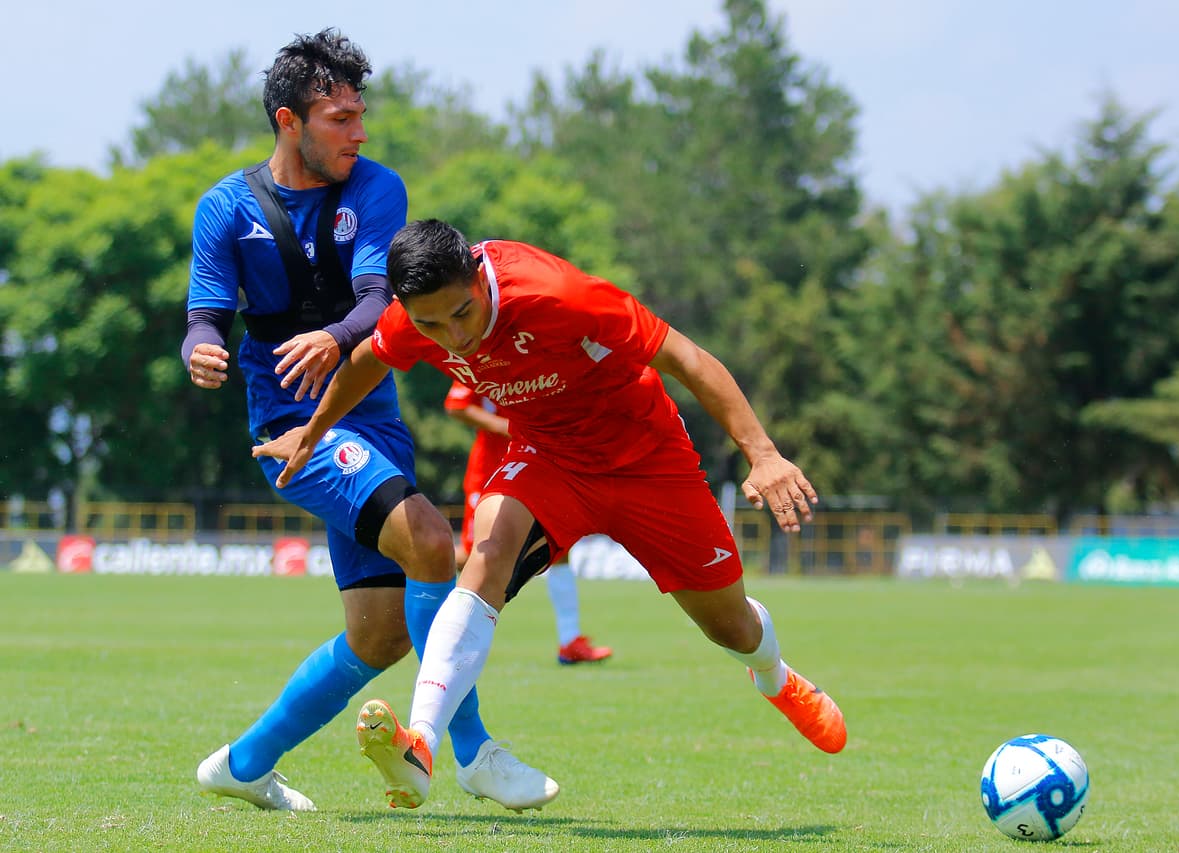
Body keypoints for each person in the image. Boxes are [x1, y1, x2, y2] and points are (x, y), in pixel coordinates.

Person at [255, 219, 847, 809]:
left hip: (648, 459)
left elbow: (687, 358)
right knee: (485, 551)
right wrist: (312, 434)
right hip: (550, 457)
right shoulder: (414, 322)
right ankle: (423, 746)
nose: (453, 337)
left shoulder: (560, 295)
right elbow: (366, 359)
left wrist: (763, 454)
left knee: (731, 628)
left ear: (479, 278)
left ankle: (776, 678)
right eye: (431, 324)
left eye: (461, 314)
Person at [183, 32, 555, 813]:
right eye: (339, 118)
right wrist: (203, 350)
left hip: (373, 421)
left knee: (381, 634)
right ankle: (472, 750)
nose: (358, 132)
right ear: (290, 121)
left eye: (361, 115)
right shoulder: (225, 207)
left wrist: (337, 337)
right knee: (429, 539)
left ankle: (244, 762)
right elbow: (205, 317)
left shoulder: (376, 188)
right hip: (294, 426)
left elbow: (374, 302)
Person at [444, 380, 612, 664]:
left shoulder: (537, 351)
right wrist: (506, 427)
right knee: (474, 556)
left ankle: (569, 640)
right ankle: (412, 570)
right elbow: (456, 405)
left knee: (560, 547)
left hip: (538, 468)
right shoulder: (481, 352)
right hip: (491, 470)